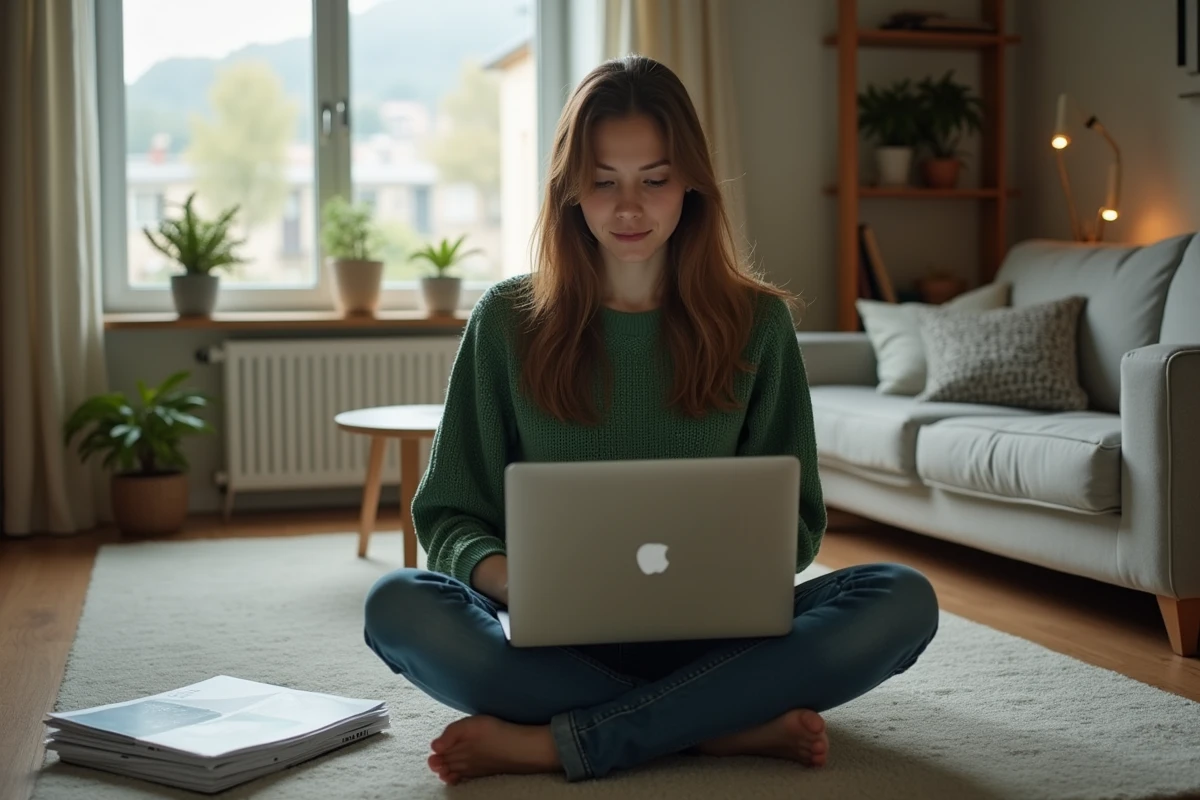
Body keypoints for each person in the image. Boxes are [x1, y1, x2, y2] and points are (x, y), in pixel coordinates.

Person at [363, 55, 939, 785]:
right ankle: (717, 726)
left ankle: (564, 739)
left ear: (692, 181)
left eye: (654, 180)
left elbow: (795, 523)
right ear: (571, 189)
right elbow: (447, 514)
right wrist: (517, 585)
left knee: (900, 600)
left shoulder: (757, 323)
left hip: (715, 638)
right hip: (551, 642)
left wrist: (725, 573)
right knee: (397, 604)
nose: (628, 209)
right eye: (604, 182)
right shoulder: (507, 320)